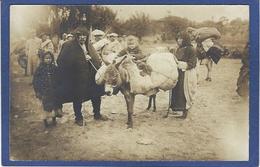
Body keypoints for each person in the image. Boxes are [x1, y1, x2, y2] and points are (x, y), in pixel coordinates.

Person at [55, 26, 107, 126]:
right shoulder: (68, 45)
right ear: (76, 36)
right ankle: (78, 117)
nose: (82, 38)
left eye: (85, 35)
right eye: (80, 36)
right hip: (76, 77)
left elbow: (96, 58)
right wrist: (83, 59)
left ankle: (97, 114)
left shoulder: (89, 45)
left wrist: (92, 59)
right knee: (77, 97)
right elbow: (61, 61)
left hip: (90, 75)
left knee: (96, 94)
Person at [169, 31, 197, 118]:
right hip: (178, 73)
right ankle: (178, 109)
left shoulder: (191, 49)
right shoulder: (178, 48)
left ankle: (185, 113)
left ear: (185, 39)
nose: (179, 40)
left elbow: (192, 63)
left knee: (185, 92)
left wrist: (180, 64)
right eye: (178, 38)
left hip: (187, 73)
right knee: (178, 92)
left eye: (181, 39)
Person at [33, 51, 62, 128]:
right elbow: (36, 80)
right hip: (44, 91)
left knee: (54, 106)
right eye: (46, 58)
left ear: (52, 59)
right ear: (43, 59)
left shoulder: (54, 68)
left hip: (53, 91)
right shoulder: (40, 69)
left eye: (50, 58)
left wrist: (58, 88)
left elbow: (59, 79)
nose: (48, 60)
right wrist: (38, 91)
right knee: (45, 107)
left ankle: (54, 119)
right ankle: (45, 121)